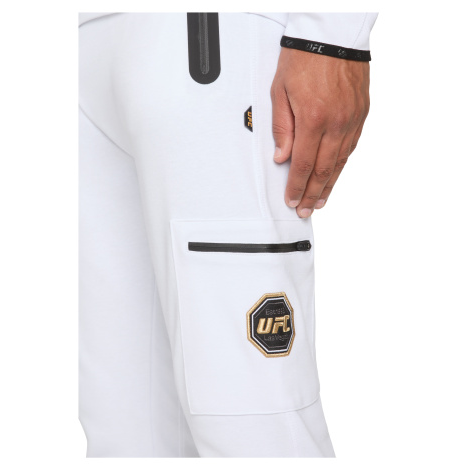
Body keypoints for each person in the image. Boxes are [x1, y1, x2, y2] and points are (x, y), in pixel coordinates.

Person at [79, 12, 378, 457]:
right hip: (86, 41)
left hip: (210, 46)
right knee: (127, 437)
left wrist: (332, 33)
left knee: (254, 430)